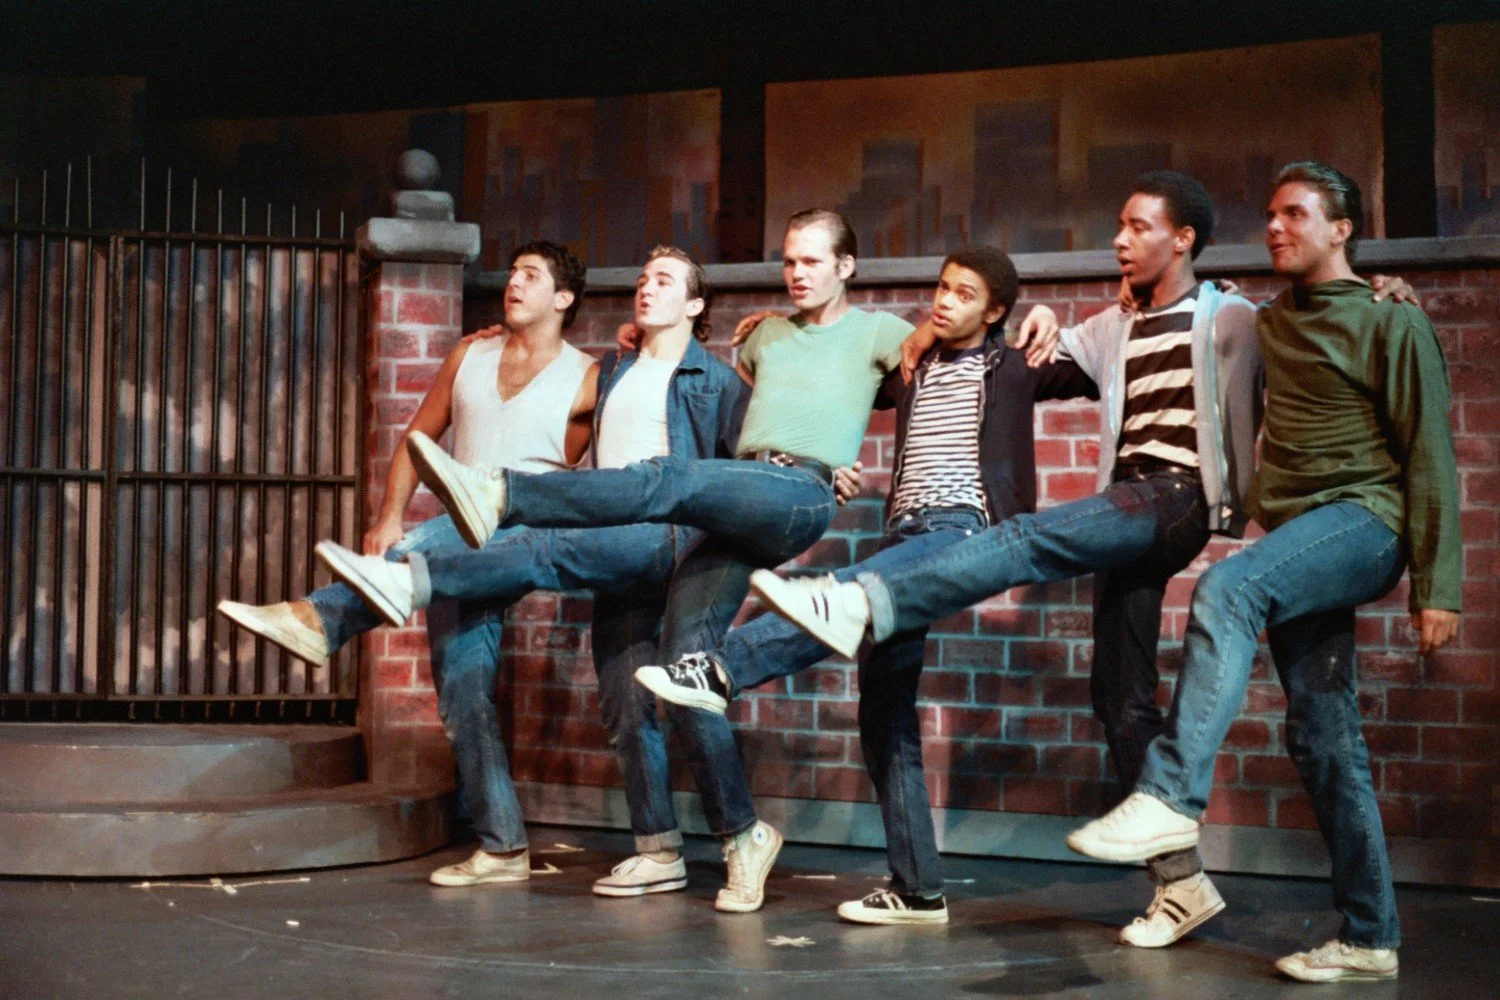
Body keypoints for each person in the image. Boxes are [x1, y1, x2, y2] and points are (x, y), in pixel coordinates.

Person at [748, 172, 1417, 946]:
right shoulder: (1115, 326)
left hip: (1179, 498)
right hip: (1129, 506)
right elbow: (1027, 355)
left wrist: (1382, 287)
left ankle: (861, 597)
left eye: (1137, 227)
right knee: (1120, 695)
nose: (1120, 240)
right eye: (1120, 227)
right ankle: (1182, 886)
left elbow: (1313, 325)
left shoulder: (1233, 315)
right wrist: (1010, 317)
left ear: (1184, 239)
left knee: (1027, 539)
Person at [312, 246, 855, 908]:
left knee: (547, 552)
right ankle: (665, 850)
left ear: (695, 304)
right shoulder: (613, 369)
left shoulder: (715, 383)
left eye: (664, 281)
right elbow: (544, 389)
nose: (646, 289)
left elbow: (747, 470)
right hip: (615, 546)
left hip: (674, 543)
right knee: (631, 701)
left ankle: (407, 579)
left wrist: (821, 468)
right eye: (642, 277)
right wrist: (499, 335)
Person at [1066, 162, 1460, 984]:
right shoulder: (1268, 322)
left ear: (1342, 229)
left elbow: (1429, 457)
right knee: (1322, 738)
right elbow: (1174, 316)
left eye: (1296, 214)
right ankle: (1369, 935)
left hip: (1365, 524)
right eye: (1270, 214)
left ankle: (1168, 799)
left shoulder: (1392, 322)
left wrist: (1438, 589)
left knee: (1227, 587)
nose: (1275, 226)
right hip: (1301, 542)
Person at [637, 243, 1096, 925]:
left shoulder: (1014, 366)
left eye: (965, 294)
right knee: (883, 709)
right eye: (942, 287)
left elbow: (1099, 363)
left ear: (996, 310)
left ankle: (721, 669)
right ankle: (918, 889)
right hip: (906, 536)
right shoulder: (910, 364)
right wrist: (784, 330)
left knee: (841, 597)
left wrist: (1055, 316)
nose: (944, 301)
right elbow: (831, 383)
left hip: (964, 533)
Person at [218, 240, 593, 887]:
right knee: (463, 694)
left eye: (531, 275)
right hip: (450, 542)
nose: (514, 283)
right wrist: (390, 519)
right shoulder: (470, 355)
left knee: (459, 540)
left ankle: (321, 616)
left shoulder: (589, 376)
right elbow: (418, 440)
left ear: (563, 298)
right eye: (511, 273)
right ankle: (504, 847)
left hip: (521, 532)